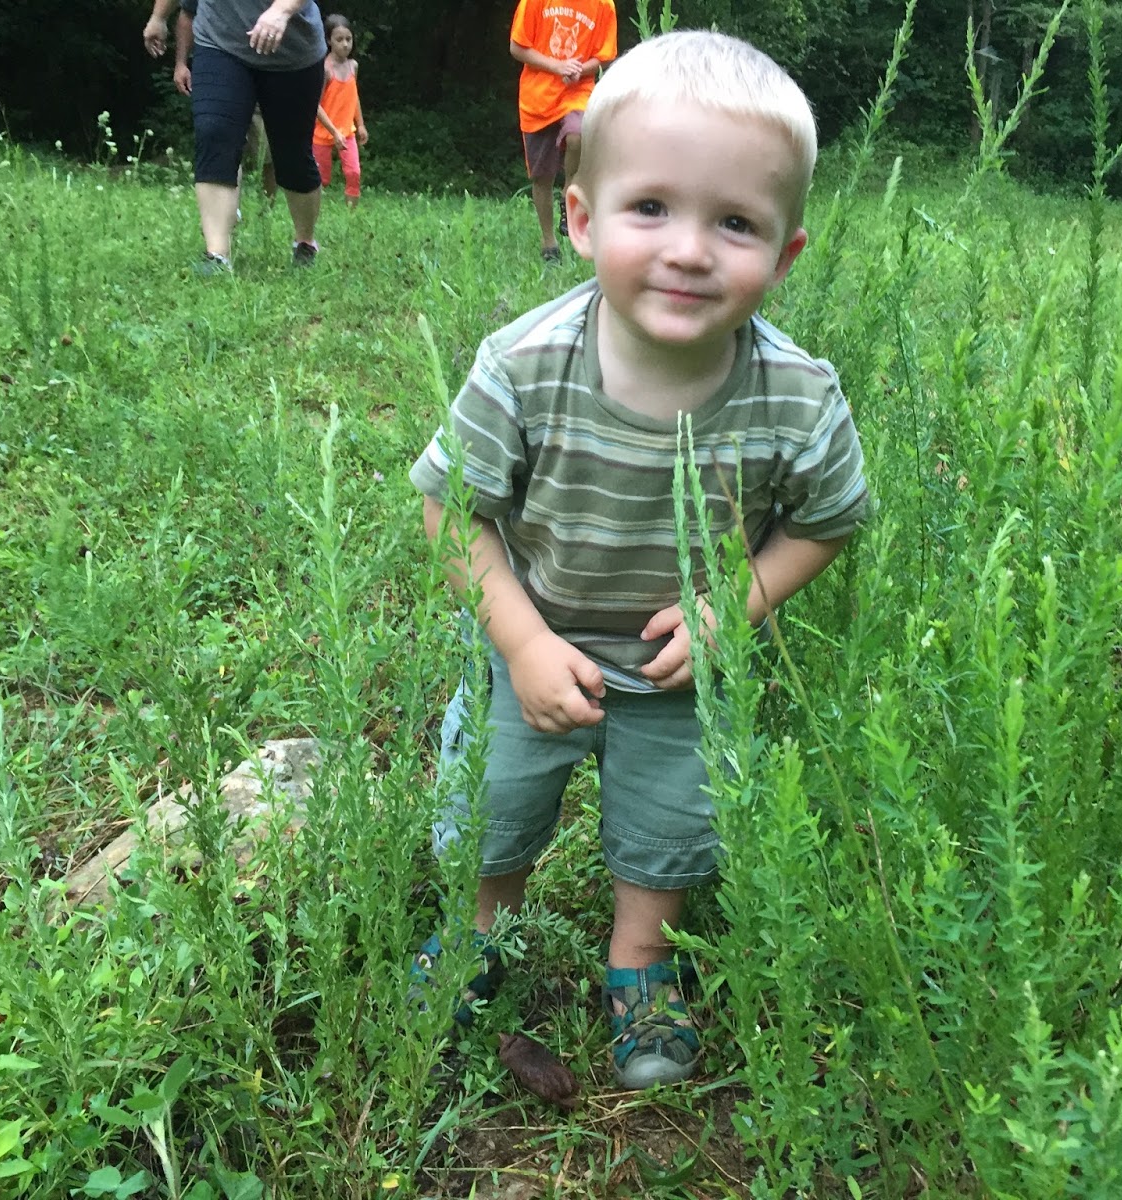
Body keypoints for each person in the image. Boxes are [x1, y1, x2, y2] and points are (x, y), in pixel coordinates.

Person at [409, 30, 871, 1089]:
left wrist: (733, 608)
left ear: (786, 255)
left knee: (671, 822)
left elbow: (828, 521)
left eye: (736, 222)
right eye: (651, 207)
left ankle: (642, 966)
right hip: (534, 643)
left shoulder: (798, 397)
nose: (690, 249)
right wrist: (521, 642)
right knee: (493, 809)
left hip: (679, 670)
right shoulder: (525, 365)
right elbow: (449, 510)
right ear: (582, 219)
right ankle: (479, 935)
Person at [142, 0, 325, 272]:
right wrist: (159, 16)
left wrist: (281, 11)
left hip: (292, 53)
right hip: (219, 42)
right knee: (214, 133)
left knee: (292, 156)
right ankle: (217, 255)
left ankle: (305, 243)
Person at [508, 0, 617, 263]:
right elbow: (517, 47)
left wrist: (579, 70)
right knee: (541, 178)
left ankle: (570, 186)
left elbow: (605, 56)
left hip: (577, 91)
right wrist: (557, 67)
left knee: (578, 134)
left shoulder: (603, 4)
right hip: (537, 101)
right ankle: (549, 244)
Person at [169, 0, 278, 203]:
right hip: (221, 67)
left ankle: (267, 207)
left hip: (267, 69)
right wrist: (181, 63)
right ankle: (229, 212)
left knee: (268, 152)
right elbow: (188, 13)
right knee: (222, 141)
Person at [313, 13, 366, 208]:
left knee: (354, 173)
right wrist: (333, 131)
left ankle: (351, 215)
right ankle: (314, 213)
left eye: (348, 39)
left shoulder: (353, 66)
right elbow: (315, 105)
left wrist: (360, 124)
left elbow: (354, 96)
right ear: (329, 41)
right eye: (339, 39)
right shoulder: (325, 69)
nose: (345, 44)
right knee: (321, 178)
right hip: (323, 132)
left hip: (347, 132)